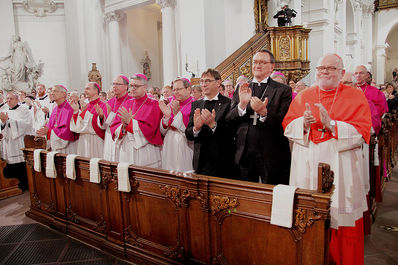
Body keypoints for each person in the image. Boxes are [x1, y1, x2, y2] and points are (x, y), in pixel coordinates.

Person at [283, 53, 372, 265]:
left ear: (341, 73)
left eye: (331, 68)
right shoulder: (305, 96)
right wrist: (303, 123)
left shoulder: (355, 96)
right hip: (307, 166)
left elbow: (362, 132)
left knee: (341, 220)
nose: (324, 71)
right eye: (321, 68)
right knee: (308, 216)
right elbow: (288, 126)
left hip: (340, 166)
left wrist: (332, 125)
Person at [226, 49, 292, 184]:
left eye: (262, 62)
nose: (257, 65)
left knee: (272, 194)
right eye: (255, 62)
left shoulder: (282, 90)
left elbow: (284, 122)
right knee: (246, 194)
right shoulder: (243, 87)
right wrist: (242, 106)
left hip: (271, 151)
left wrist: (264, 113)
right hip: (244, 151)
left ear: (272, 66)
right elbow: (229, 120)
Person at [186, 68, 235, 178]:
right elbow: (188, 134)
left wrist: (213, 125)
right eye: (202, 81)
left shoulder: (228, 103)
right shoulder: (196, 104)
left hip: (222, 161)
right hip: (201, 162)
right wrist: (196, 129)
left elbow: (231, 133)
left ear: (218, 82)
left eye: (207, 81)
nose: (203, 84)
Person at [116, 73, 163, 167]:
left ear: (145, 87)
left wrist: (130, 122)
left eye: (136, 86)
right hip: (127, 150)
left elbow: (151, 130)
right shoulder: (126, 104)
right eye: (131, 86)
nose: (132, 88)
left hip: (145, 151)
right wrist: (123, 127)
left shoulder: (154, 105)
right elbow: (115, 126)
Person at [159, 77, 194, 171]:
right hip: (169, 145)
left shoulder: (195, 105)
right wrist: (166, 117)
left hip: (185, 145)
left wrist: (177, 114)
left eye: (178, 89)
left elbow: (190, 132)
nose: (175, 92)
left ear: (188, 89)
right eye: (174, 90)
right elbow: (162, 132)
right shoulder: (171, 104)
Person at [0, 92, 33, 191]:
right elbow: (2, 125)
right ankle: (13, 185)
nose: (8, 101)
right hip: (8, 141)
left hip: (19, 141)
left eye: (11, 98)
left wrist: (8, 121)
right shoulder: (4, 110)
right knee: (9, 164)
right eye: (7, 99)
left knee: (20, 164)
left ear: (17, 99)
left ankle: (24, 185)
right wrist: (3, 122)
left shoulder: (24, 110)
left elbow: (27, 124)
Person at [98, 75, 131, 162]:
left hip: (124, 139)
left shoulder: (131, 101)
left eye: (118, 84)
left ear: (126, 86)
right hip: (110, 138)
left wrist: (110, 116)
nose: (114, 86)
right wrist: (102, 117)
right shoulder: (110, 102)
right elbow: (104, 126)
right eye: (114, 84)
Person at [36, 85, 78, 153]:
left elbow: (67, 131)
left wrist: (49, 131)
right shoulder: (55, 108)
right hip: (56, 144)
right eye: (51, 91)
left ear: (64, 94)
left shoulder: (69, 108)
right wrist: (43, 130)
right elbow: (50, 125)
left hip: (68, 147)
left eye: (55, 91)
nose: (52, 93)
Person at [70, 82, 107, 157]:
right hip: (83, 140)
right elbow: (79, 126)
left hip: (96, 140)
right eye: (85, 89)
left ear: (96, 91)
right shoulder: (86, 106)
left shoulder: (103, 105)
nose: (85, 91)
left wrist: (101, 117)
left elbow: (104, 125)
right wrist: (76, 111)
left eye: (88, 89)